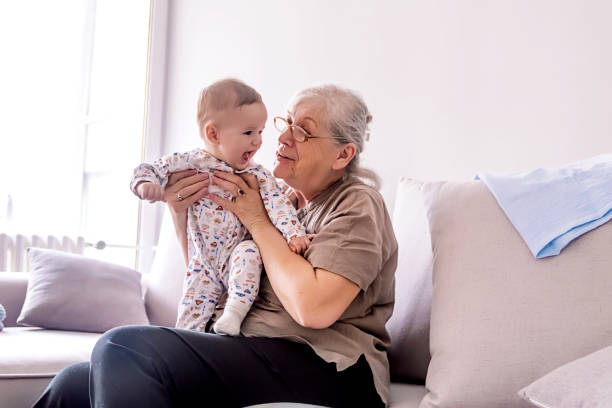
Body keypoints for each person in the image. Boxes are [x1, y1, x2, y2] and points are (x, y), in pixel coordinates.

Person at [34, 84, 397, 408]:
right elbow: (215, 268)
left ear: (342, 155)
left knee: (124, 346)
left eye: (302, 131)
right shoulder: (281, 199)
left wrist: (257, 220)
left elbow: (312, 309)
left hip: (328, 366)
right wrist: (179, 212)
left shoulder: (356, 203)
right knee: (74, 384)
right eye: (285, 122)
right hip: (253, 346)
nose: (283, 137)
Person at [130, 78, 309, 336]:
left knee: (249, 253)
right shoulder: (191, 162)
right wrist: (145, 184)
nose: (257, 142)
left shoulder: (257, 174)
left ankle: (233, 313)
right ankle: (185, 345)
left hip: (236, 253)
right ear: (213, 134)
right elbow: (150, 168)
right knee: (190, 313)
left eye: (260, 132)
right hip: (203, 261)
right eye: (249, 133)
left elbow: (279, 205)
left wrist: (294, 233)